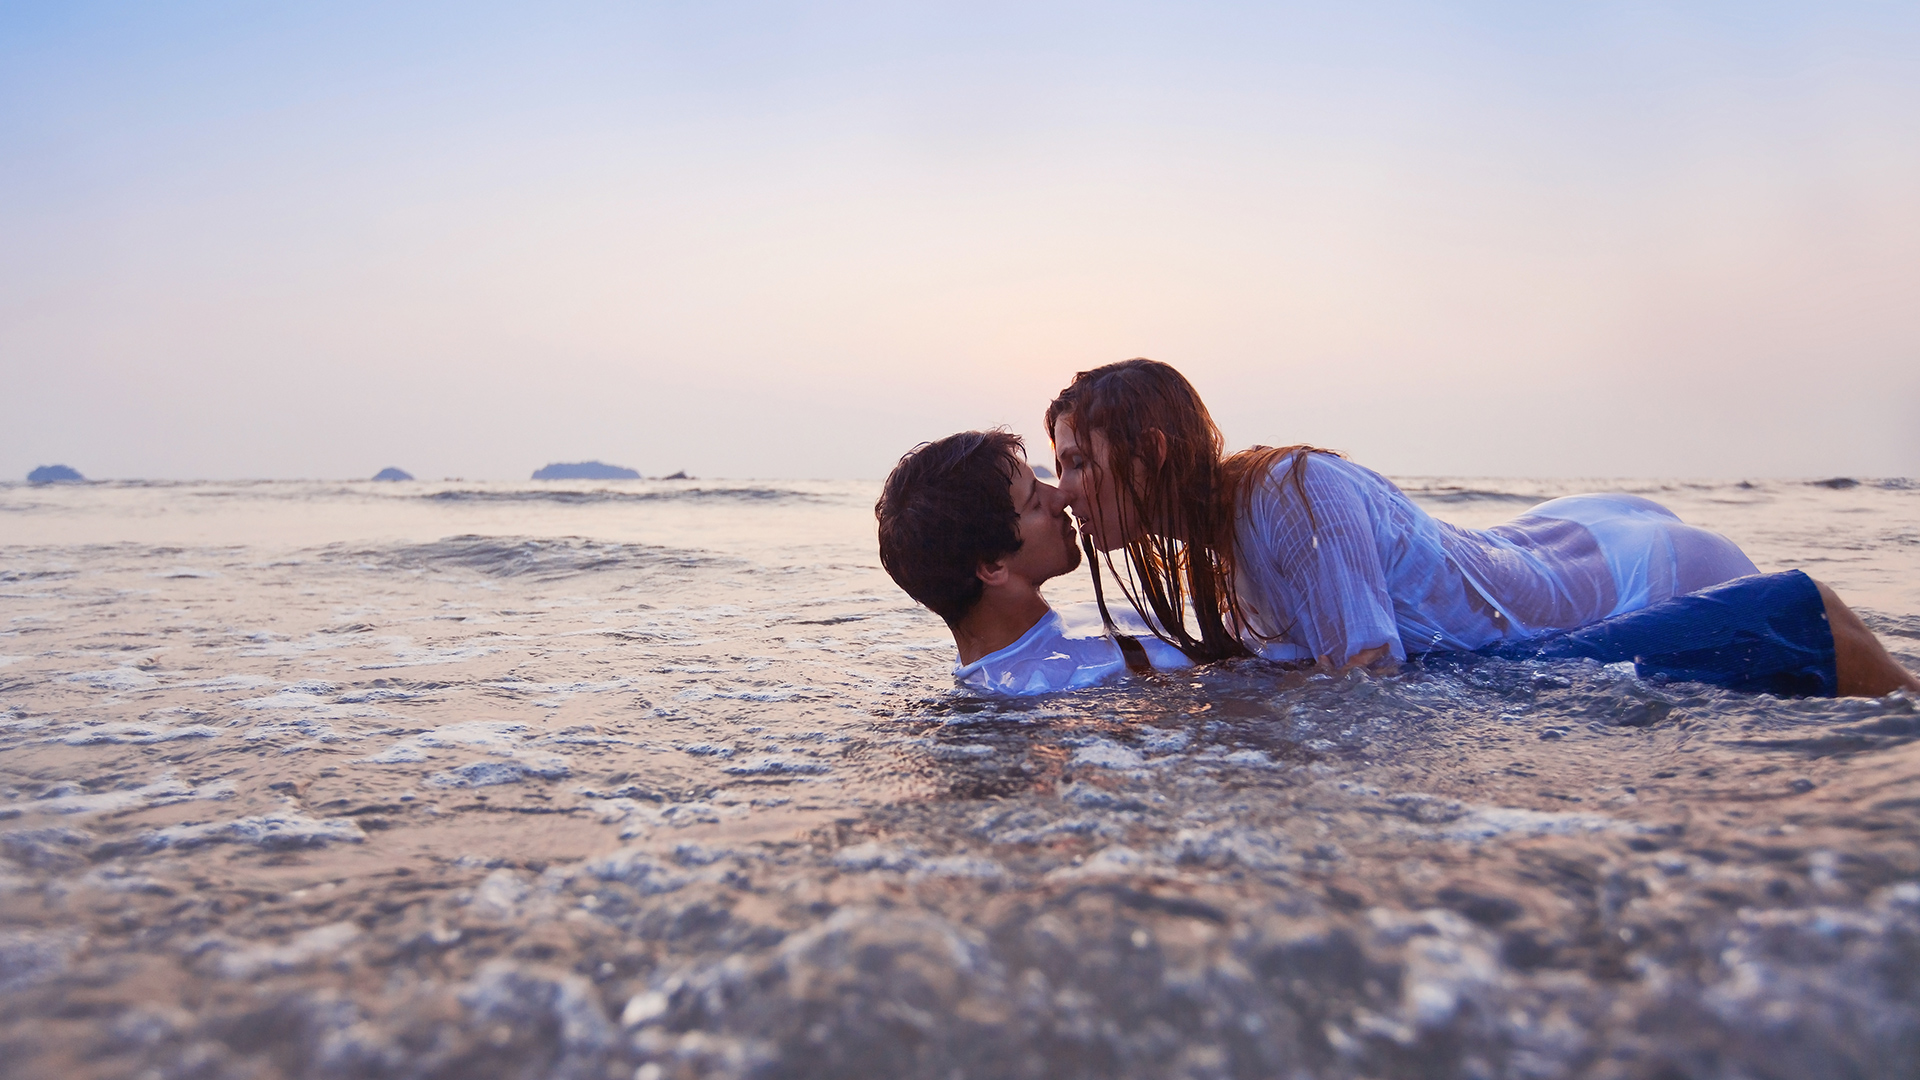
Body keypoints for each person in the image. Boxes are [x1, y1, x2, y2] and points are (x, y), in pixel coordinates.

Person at [1046, 357, 1919, 698]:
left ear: (1151, 452)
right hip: (1547, 550)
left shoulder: (1285, 491)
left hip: (1636, 575)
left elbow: (1366, 679)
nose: (1067, 490)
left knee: (1814, 619)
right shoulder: (1224, 555)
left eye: (1078, 462)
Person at [875, 430, 1191, 695]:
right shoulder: (1058, 682)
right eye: (1036, 502)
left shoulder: (1071, 634)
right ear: (992, 567)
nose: (1061, 497)